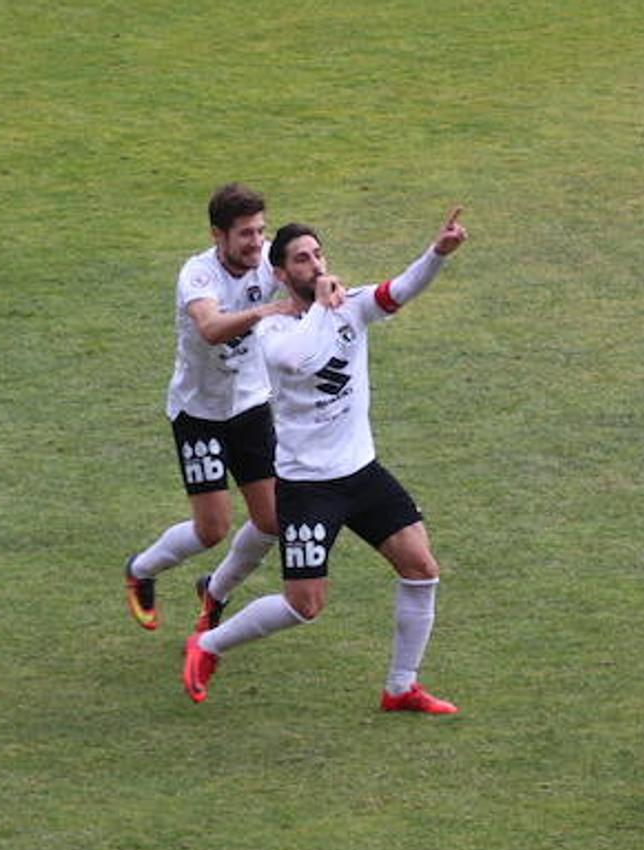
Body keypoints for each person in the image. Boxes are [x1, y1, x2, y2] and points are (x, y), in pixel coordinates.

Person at [181, 207, 468, 714]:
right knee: (304, 606)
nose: (314, 264)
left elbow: (399, 289)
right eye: (301, 258)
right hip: (308, 487)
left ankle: (400, 687)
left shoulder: (351, 306)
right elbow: (302, 359)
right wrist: (319, 306)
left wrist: (437, 254)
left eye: (318, 255)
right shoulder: (271, 330)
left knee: (421, 568)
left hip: (362, 473)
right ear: (280, 273)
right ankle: (207, 646)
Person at [125, 183, 295, 634]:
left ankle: (213, 591)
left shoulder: (268, 261)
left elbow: (307, 278)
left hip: (251, 406)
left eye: (260, 231)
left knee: (273, 520)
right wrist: (264, 313)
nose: (256, 242)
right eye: (245, 234)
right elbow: (210, 327)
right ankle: (141, 570)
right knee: (212, 528)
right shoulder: (198, 275)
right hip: (198, 413)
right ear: (217, 235)